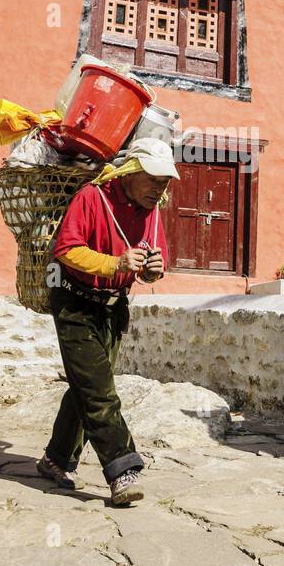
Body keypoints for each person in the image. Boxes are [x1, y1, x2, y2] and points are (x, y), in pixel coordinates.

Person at [35, 136, 177, 506]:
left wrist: (152, 272)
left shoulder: (152, 210)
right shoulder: (92, 197)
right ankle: (121, 469)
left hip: (113, 307)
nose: (159, 189)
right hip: (74, 302)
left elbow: (146, 267)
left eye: (164, 182)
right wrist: (114, 263)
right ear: (130, 172)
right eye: (153, 179)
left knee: (87, 384)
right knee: (99, 390)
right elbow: (66, 249)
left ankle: (55, 459)